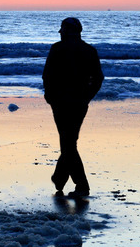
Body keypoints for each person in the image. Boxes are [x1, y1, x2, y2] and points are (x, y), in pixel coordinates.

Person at [42, 17, 104, 198]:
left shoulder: (57, 49)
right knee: (69, 141)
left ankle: (78, 184)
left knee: (68, 142)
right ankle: (60, 178)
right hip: (79, 102)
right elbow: (98, 78)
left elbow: (47, 75)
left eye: (62, 30)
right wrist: (88, 96)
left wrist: (49, 95)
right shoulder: (90, 50)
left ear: (68, 31)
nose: (60, 33)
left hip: (60, 102)